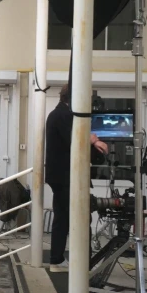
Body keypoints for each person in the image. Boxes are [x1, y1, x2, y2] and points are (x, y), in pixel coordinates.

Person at [45, 84, 108, 270]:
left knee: (62, 218)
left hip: (60, 176)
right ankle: (83, 263)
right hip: (66, 176)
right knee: (80, 218)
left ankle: (57, 259)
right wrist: (93, 140)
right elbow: (75, 141)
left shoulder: (58, 114)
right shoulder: (64, 115)